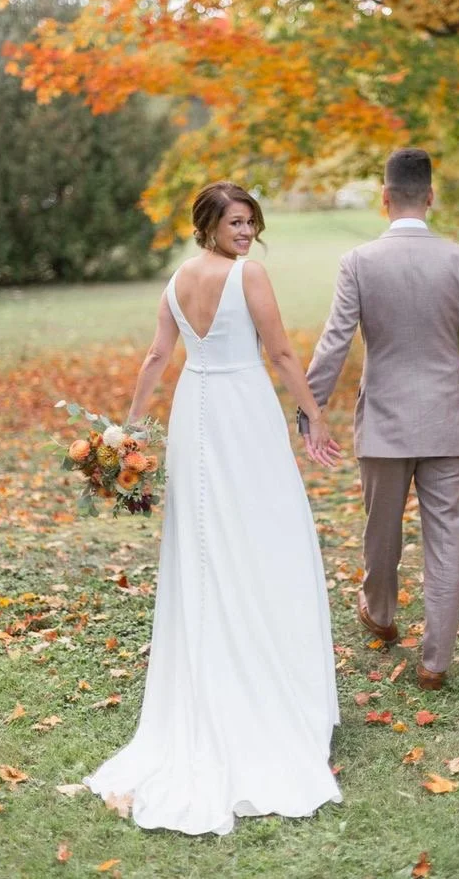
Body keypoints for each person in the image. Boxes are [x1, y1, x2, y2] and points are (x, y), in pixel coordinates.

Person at [84, 181, 342, 835]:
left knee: (213, 544)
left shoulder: (177, 279)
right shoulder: (248, 276)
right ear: (210, 223)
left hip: (196, 409)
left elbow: (157, 357)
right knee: (260, 540)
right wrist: (313, 416)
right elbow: (281, 352)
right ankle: (261, 690)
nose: (247, 232)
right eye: (235, 221)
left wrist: (130, 428)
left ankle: (225, 676)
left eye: (251, 221)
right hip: (241, 409)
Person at [299, 148, 459, 691]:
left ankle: (382, 615)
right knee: (446, 541)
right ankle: (435, 663)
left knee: (380, 534)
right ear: (430, 197)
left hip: (385, 425)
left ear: (385, 198)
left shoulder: (359, 262)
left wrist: (310, 411)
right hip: (445, 423)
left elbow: (334, 343)